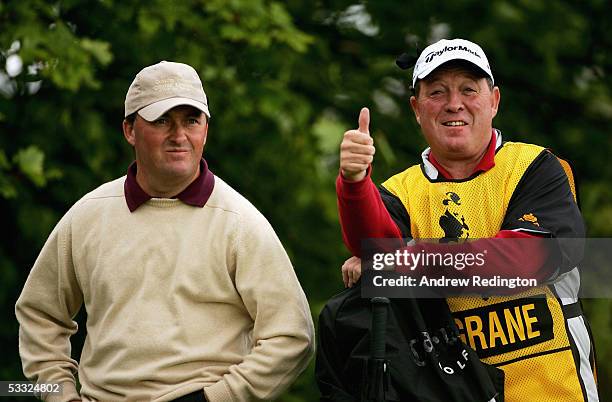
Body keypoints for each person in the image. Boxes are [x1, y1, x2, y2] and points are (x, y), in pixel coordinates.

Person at [16, 61, 314, 402]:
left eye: (191, 120)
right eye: (162, 121)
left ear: (206, 129)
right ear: (129, 130)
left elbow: (292, 336)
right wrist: (59, 395)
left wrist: (217, 398)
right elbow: (40, 314)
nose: (179, 136)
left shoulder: (240, 223)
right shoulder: (87, 216)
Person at [321, 39, 599, 401]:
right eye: (437, 92)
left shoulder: (537, 167)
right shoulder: (398, 192)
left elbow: (526, 259)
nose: (454, 103)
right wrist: (355, 183)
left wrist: (406, 260)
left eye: (469, 89)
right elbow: (372, 247)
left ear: (494, 100)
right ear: (416, 109)